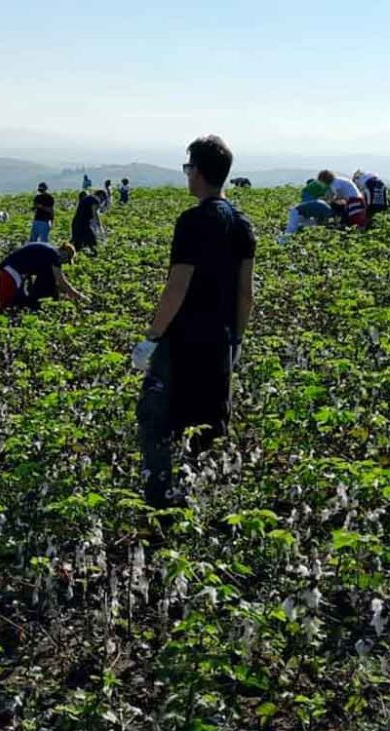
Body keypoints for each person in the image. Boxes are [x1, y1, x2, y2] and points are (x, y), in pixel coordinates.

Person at [132, 136, 256, 511]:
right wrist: (235, 341)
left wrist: (152, 338)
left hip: (181, 343)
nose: (188, 176)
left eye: (188, 169)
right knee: (207, 428)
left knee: (158, 425)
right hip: (218, 343)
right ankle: (204, 509)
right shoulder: (242, 225)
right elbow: (245, 294)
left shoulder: (192, 221)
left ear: (198, 173)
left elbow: (177, 288)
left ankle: (160, 512)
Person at [0, 242, 88, 311]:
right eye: (66, 260)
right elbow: (61, 281)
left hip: (14, 272)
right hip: (11, 273)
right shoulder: (54, 255)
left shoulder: (48, 251)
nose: (63, 263)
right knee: (8, 306)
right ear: (64, 253)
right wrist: (80, 297)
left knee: (18, 304)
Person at [71, 190, 102, 255]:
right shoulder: (95, 200)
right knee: (90, 239)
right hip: (82, 224)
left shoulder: (86, 200)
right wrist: (99, 224)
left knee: (78, 241)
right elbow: (95, 213)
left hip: (77, 223)